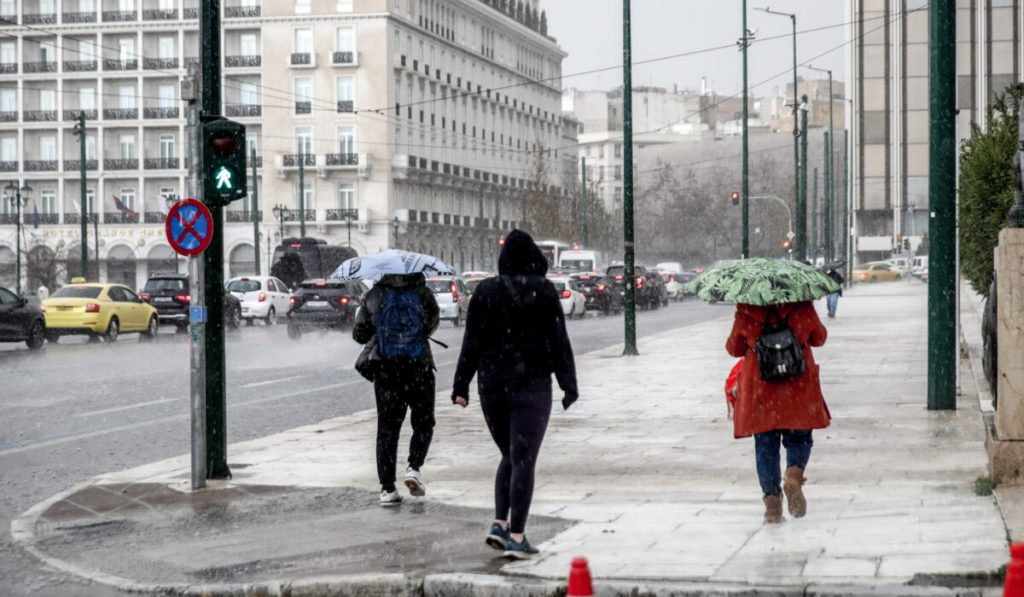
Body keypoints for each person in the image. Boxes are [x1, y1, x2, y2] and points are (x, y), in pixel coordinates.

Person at [452, 229, 578, 560]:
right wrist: (568, 383)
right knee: (523, 458)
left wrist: (461, 385)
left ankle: (499, 523)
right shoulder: (545, 291)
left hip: (491, 388)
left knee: (509, 455)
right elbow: (558, 341)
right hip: (532, 387)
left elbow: (472, 342)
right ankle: (517, 536)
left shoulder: (485, 291)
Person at [725, 301, 830, 523]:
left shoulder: (746, 309)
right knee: (800, 438)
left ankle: (772, 504)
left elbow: (734, 348)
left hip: (761, 390)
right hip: (797, 387)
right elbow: (819, 338)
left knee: (765, 446)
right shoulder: (802, 305)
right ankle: (793, 474)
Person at [353, 272, 440, 507]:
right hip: (418, 366)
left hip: (386, 369)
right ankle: (413, 467)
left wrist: (374, 319)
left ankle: (387, 489)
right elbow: (430, 326)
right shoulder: (423, 293)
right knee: (423, 421)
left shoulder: (375, 294)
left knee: (387, 428)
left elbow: (359, 334)